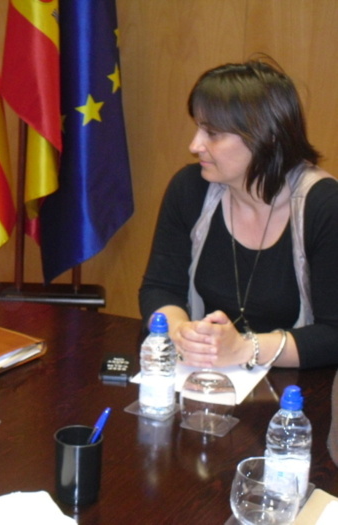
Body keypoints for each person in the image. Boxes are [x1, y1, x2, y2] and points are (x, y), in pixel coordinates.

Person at [139, 57, 338, 371]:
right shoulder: (190, 187)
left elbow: (333, 333)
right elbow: (160, 288)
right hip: (205, 375)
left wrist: (244, 348)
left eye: (212, 133)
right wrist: (180, 332)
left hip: (298, 386)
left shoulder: (325, 205)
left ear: (267, 136)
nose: (194, 145)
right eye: (198, 128)